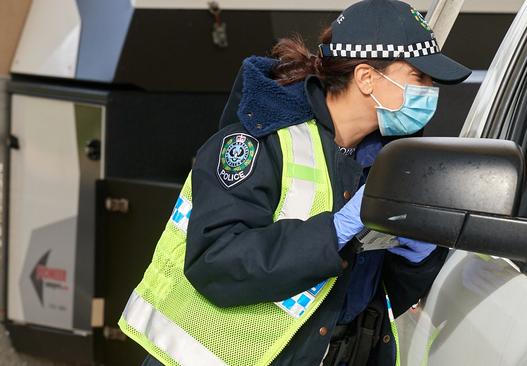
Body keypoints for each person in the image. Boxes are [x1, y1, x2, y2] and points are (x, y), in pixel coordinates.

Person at [119, 0, 471, 365]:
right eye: (420, 77)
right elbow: (215, 261)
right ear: (367, 78)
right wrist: (335, 230)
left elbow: (353, 298)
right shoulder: (258, 142)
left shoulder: (388, 161)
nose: (431, 92)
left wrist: (417, 261)